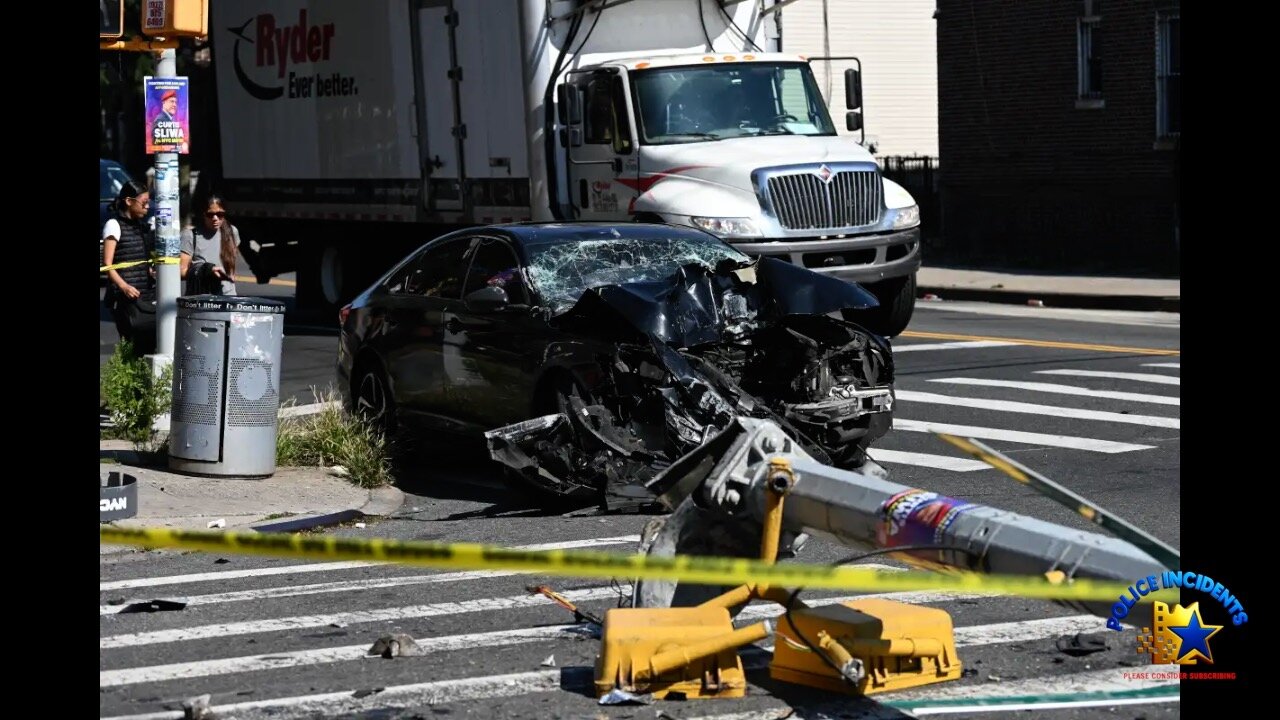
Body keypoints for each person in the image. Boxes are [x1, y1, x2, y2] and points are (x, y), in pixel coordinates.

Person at [102, 180, 158, 356]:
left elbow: (141, 258)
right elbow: (107, 265)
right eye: (144, 203)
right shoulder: (114, 225)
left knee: (149, 346)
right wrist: (124, 286)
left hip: (145, 295)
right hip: (125, 299)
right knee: (131, 348)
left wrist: (150, 271)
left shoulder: (142, 227)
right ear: (129, 201)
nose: (147, 207)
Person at [181, 195, 240, 296]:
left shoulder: (232, 232)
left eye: (220, 214)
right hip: (200, 299)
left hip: (227, 297)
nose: (215, 218)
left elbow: (231, 265)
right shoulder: (190, 235)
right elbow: (181, 272)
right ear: (203, 214)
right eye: (210, 214)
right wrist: (207, 271)